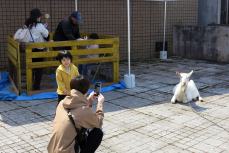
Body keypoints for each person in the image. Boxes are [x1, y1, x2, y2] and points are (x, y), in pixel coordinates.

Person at [47, 75, 104, 153]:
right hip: (65, 151)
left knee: (79, 127)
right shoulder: (83, 111)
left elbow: (75, 108)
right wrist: (100, 103)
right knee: (97, 133)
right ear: (86, 91)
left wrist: (88, 100)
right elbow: (98, 122)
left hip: (52, 149)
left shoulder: (62, 103)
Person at [25, 8, 49, 90]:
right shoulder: (40, 26)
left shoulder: (27, 25)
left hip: (29, 49)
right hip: (38, 49)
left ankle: (29, 84)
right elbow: (46, 35)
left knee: (31, 68)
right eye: (39, 16)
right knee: (39, 68)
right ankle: (36, 87)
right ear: (37, 17)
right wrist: (45, 28)